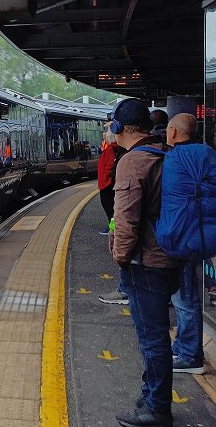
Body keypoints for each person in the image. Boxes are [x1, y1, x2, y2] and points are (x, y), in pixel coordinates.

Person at [109, 98, 180, 427]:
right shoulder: (166, 153)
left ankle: (157, 408)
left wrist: (121, 258)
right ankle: (151, 394)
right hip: (170, 257)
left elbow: (126, 222)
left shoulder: (132, 162)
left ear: (118, 127)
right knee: (157, 336)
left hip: (145, 263)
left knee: (152, 339)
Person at [166, 113, 205, 374]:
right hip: (199, 232)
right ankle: (183, 347)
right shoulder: (207, 154)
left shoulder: (178, 158)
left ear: (174, 133)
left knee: (186, 298)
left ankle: (190, 355)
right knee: (186, 295)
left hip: (185, 235)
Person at [98, 125, 129, 305]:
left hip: (121, 216)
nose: (105, 133)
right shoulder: (116, 151)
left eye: (109, 129)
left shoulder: (122, 155)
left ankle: (125, 290)